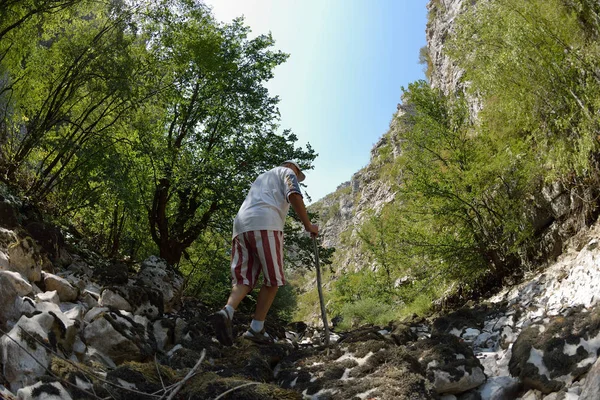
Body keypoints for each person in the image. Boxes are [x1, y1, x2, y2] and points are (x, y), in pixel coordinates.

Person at [212, 160, 319, 346]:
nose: (297, 177)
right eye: (298, 174)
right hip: (266, 224)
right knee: (273, 279)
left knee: (243, 279)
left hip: (240, 227)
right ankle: (256, 329)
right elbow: (294, 194)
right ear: (293, 167)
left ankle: (227, 312)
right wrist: (308, 225)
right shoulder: (287, 172)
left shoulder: (261, 177)